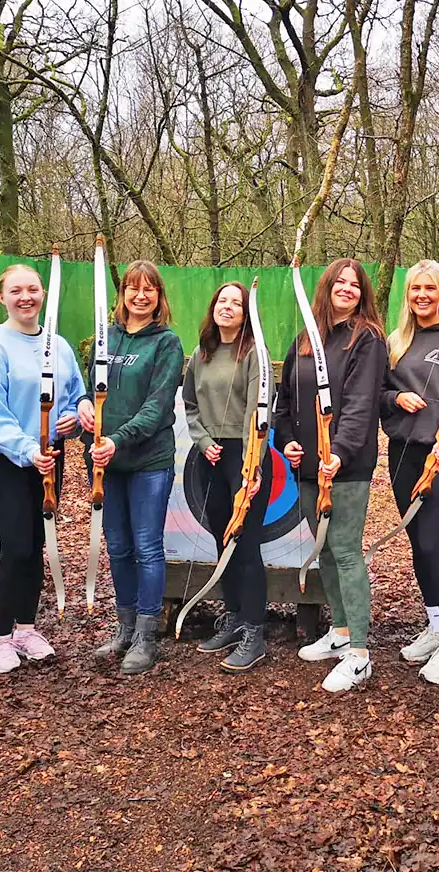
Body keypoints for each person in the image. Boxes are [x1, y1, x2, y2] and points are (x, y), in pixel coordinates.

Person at [274, 258, 387, 693]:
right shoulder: (306, 338)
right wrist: (286, 441)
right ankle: (340, 630)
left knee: (344, 549)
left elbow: (361, 405)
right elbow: (284, 402)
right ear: (326, 287)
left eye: (355, 284)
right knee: (323, 549)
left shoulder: (368, 339)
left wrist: (338, 451)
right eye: (340, 282)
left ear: (363, 293)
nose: (347, 289)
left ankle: (359, 652)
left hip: (346, 467)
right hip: (305, 465)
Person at [0, 264, 85, 674]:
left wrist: (72, 416)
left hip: (48, 456)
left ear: (42, 295)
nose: (26, 297)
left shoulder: (60, 345)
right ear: (2, 297)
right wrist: (26, 450)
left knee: (35, 542)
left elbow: (75, 394)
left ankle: (26, 629)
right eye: (16, 290)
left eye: (33, 289)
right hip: (4, 458)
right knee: (16, 545)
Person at [80, 260, 183, 675]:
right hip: (106, 461)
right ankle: (123, 629)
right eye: (132, 289)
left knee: (146, 547)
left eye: (149, 290)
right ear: (121, 294)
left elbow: (157, 408)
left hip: (147, 460)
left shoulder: (167, 343)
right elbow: (91, 391)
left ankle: (145, 636)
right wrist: (85, 409)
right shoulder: (106, 340)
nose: (140, 296)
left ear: (159, 298)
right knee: (118, 546)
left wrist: (116, 440)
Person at [379, 260, 439, 684]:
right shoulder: (397, 339)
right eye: (415, 289)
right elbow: (379, 392)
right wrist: (397, 399)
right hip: (403, 450)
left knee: (436, 542)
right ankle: (437, 626)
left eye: (430, 289)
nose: (422, 296)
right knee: (418, 543)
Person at [182, 281, 272, 672]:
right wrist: (202, 441)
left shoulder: (254, 352)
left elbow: (258, 411)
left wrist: (252, 463)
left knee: (246, 544)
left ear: (246, 313)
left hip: (245, 454)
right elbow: (189, 404)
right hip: (211, 456)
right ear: (213, 307)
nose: (228, 307)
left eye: (237, 303)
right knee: (224, 539)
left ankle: (255, 630)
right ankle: (234, 618)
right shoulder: (201, 354)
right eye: (223, 301)